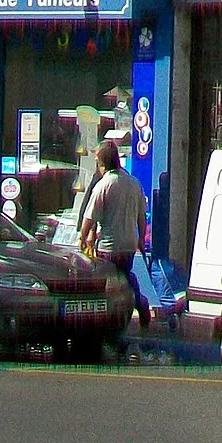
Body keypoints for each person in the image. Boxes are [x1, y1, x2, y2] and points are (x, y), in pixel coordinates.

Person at [81, 140, 150, 334]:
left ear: (102, 163)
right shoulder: (133, 183)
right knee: (124, 277)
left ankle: (111, 325)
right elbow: (141, 217)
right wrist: (141, 240)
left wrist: (82, 239)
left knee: (108, 287)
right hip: (128, 245)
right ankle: (139, 302)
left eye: (97, 161)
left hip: (108, 247)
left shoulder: (104, 185)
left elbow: (89, 218)